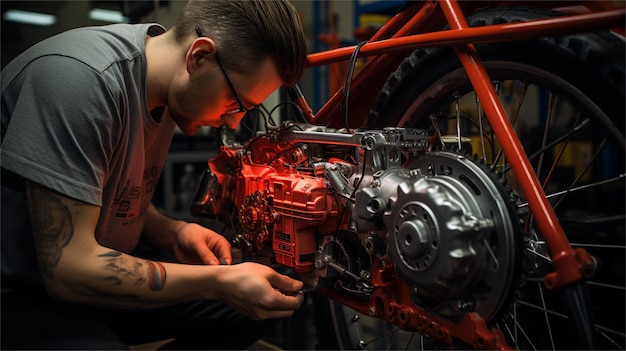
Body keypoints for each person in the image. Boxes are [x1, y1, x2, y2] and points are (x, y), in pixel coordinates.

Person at [0, 0, 308, 349]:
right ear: (199, 57)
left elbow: (100, 192)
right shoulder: (80, 80)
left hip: (90, 279)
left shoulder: (163, 90)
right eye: (236, 103)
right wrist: (217, 281)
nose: (233, 121)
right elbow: (67, 269)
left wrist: (172, 232)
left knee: (266, 301)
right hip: (26, 291)